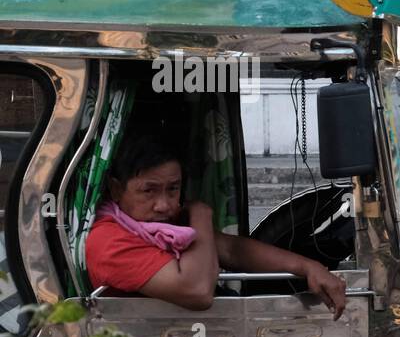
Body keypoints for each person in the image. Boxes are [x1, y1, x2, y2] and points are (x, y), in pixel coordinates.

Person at [85, 132, 348, 318]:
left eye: (173, 189)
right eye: (148, 191)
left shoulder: (164, 226)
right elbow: (197, 292)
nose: (163, 204)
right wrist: (201, 213)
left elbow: (232, 250)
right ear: (116, 189)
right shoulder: (109, 239)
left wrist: (309, 267)